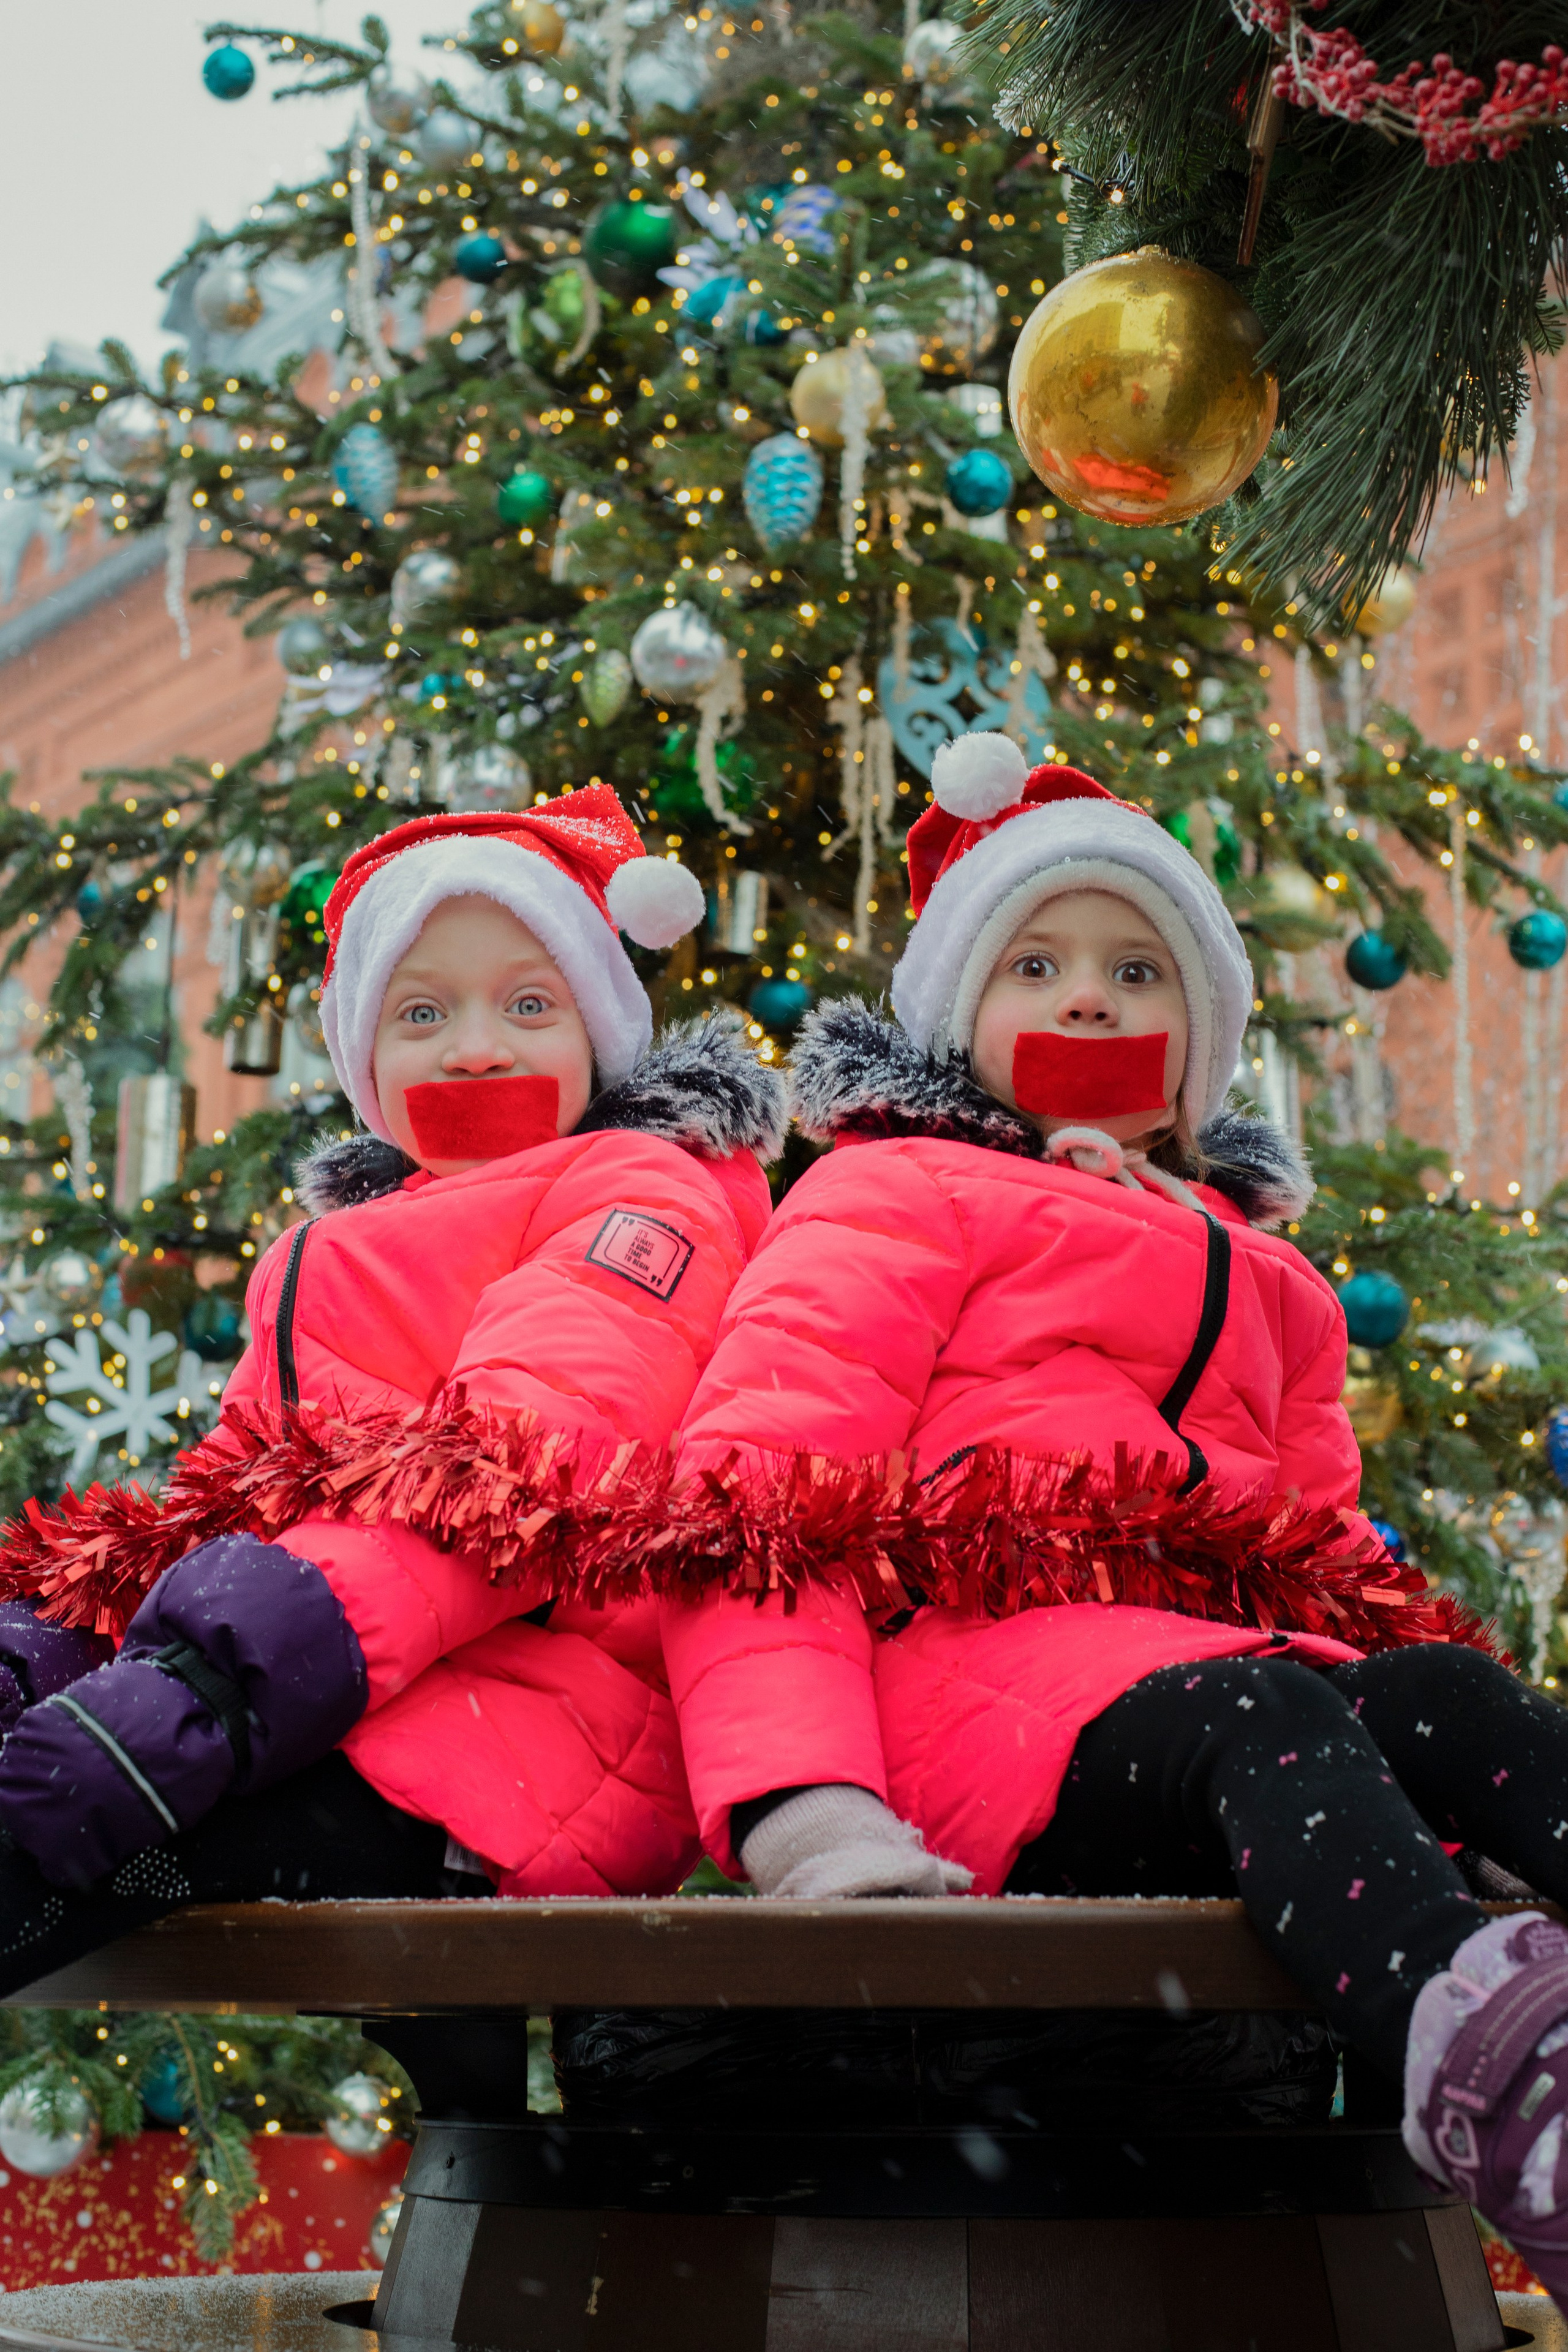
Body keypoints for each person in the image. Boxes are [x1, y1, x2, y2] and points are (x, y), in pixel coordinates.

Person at [659, 735, 1568, 2291]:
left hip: (1194, 1693)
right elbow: (760, 1495)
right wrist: (800, 1805)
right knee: (1261, 1705)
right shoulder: (895, 1196)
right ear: (960, 1017)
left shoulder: (1264, 1272)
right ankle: (1488, 2072)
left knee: (1435, 1684)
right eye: (1036, 962)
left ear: (1197, 1043)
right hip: (972, 1707)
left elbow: (1325, 1560)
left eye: (1138, 969)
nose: (1089, 996)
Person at [0, 788, 783, 1983]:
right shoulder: (331, 1250)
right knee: (64, 1789)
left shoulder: (639, 1193)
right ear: (367, 1063)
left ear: (601, 1034)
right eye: (423, 1011)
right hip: (337, 1695)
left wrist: (205, 1685)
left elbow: (514, 1469)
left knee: (88, 1859)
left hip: (527, 1736)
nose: (476, 1044)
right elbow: (229, 1505)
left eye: (529, 1003)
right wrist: (64, 1646)